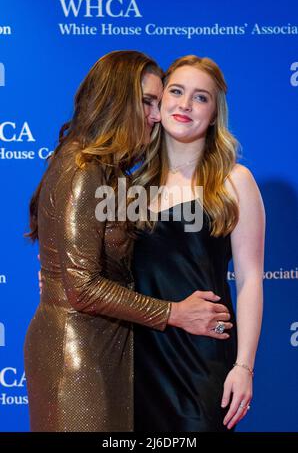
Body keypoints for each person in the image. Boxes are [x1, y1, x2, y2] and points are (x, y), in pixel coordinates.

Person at [24, 50, 232, 432]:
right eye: (147, 102)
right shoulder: (84, 168)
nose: (156, 115)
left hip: (112, 352)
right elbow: (83, 287)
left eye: (158, 102)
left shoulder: (114, 172)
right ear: (116, 99)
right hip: (79, 359)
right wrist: (174, 313)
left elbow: (110, 265)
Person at [133, 55, 265, 432]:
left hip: (202, 357)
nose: (185, 104)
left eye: (200, 97)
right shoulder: (130, 185)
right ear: (158, 103)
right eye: (176, 91)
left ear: (214, 112)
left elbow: (251, 278)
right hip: (138, 356)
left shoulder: (234, 181)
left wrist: (243, 367)